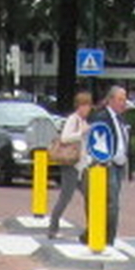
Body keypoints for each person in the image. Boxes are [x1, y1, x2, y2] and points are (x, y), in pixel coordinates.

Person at [42, 90, 93, 243]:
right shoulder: (73, 119)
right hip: (71, 165)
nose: (88, 108)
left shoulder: (83, 121)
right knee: (65, 197)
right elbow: (65, 138)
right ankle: (53, 228)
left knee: (90, 197)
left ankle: (91, 229)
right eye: (86, 105)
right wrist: (80, 133)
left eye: (89, 105)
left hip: (82, 165)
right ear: (80, 106)